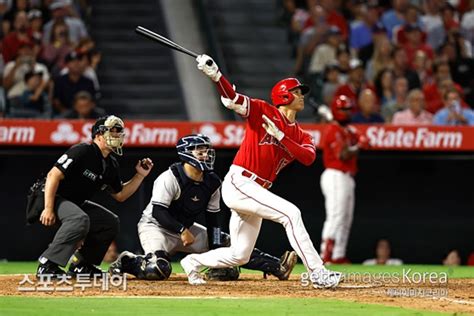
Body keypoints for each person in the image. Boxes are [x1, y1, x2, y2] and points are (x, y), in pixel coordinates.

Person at [179, 54, 342, 289]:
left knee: (240, 255)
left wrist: (281, 137)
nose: (301, 96)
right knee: (291, 214)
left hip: (257, 188)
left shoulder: (301, 135)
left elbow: (308, 157)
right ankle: (317, 272)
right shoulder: (263, 110)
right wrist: (215, 76)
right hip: (241, 181)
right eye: (296, 92)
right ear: (284, 96)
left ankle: (192, 262)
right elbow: (232, 99)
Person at [110, 134, 298, 281]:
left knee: (227, 243)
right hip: (156, 226)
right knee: (158, 269)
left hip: (186, 228)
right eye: (199, 151)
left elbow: (213, 219)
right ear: (186, 153)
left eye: (207, 151)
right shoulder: (170, 177)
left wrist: (218, 254)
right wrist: (182, 230)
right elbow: (159, 212)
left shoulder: (212, 181)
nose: (206, 155)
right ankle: (128, 260)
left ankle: (276, 266)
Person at [27, 115, 154, 278]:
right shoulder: (83, 150)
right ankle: (47, 265)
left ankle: (82, 265)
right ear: (99, 135)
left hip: (73, 202)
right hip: (49, 196)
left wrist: (139, 176)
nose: (117, 136)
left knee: (109, 222)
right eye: (112, 132)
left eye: (119, 132)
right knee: (80, 218)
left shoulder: (110, 164)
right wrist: (48, 208)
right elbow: (53, 176)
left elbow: (120, 195)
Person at [319, 95, 369, 264]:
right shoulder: (333, 130)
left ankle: (338, 254)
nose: (346, 113)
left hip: (347, 176)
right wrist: (358, 146)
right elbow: (343, 154)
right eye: (343, 110)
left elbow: (364, 141)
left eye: (348, 109)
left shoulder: (346, 130)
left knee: (346, 218)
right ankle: (325, 254)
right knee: (336, 216)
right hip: (335, 175)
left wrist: (358, 138)